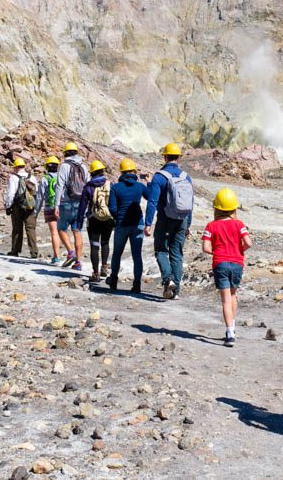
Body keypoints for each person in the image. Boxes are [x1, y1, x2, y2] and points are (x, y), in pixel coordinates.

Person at [202, 188, 252, 347]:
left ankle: (230, 333)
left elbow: (205, 247)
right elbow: (249, 243)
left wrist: (217, 252)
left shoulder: (211, 226)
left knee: (225, 300)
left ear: (216, 208)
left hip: (220, 263)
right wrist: (239, 251)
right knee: (233, 296)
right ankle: (233, 327)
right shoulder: (239, 224)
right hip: (237, 263)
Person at [144, 143, 194, 299]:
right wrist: (188, 224)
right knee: (177, 254)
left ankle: (168, 279)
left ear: (165, 157)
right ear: (178, 158)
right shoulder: (186, 177)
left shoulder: (160, 176)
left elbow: (152, 202)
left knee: (160, 250)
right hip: (182, 220)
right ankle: (175, 291)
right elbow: (190, 203)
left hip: (165, 220)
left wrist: (147, 223)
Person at [106, 158, 147, 294]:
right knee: (137, 255)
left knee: (117, 254)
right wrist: (149, 182)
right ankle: (137, 285)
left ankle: (113, 281)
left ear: (121, 172)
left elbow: (112, 208)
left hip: (122, 225)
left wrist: (119, 217)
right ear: (134, 171)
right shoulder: (140, 186)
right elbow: (151, 196)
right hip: (138, 225)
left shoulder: (115, 188)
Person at [77, 160, 113, 282]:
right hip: (108, 219)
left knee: (94, 245)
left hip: (93, 219)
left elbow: (82, 206)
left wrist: (80, 222)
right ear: (102, 171)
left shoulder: (88, 187)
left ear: (92, 172)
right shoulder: (109, 184)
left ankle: (96, 273)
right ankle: (104, 267)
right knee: (105, 243)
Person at [54, 142, 88, 270]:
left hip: (66, 203)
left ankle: (70, 252)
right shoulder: (84, 166)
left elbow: (60, 185)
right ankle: (78, 263)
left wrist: (56, 205)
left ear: (66, 153)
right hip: (80, 203)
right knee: (77, 231)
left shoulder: (64, 166)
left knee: (61, 229)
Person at [4, 158, 40, 258]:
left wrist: (8, 205)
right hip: (30, 206)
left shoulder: (13, 178)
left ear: (15, 167)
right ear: (24, 166)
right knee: (31, 228)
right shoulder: (32, 177)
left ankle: (15, 250)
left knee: (17, 229)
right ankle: (34, 252)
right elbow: (36, 192)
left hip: (18, 206)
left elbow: (11, 193)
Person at [39, 155, 63, 264]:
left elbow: (40, 195)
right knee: (63, 231)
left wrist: (36, 210)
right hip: (62, 206)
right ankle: (71, 254)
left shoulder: (45, 178)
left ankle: (56, 256)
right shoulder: (61, 177)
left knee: (54, 232)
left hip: (50, 206)